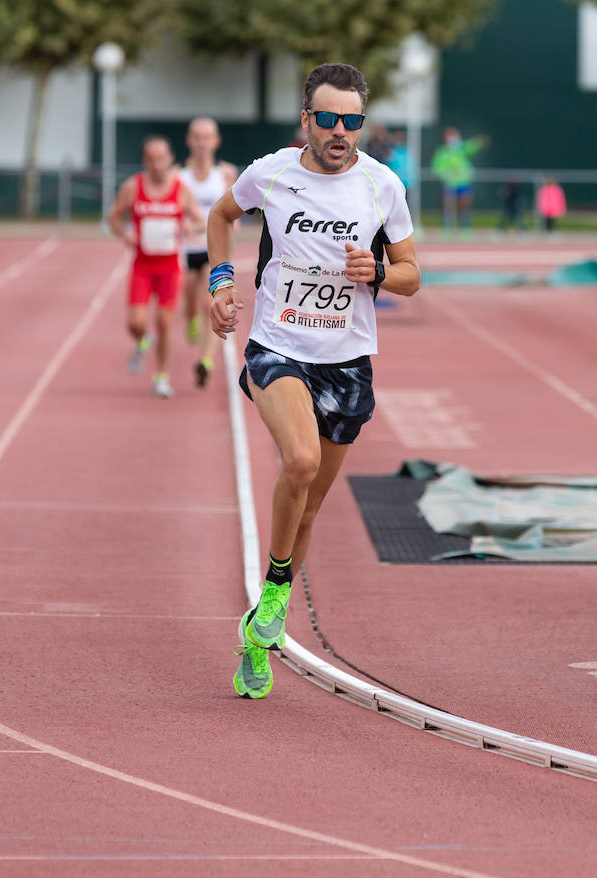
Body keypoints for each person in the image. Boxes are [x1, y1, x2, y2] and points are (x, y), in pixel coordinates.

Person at [206, 62, 419, 699]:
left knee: (311, 508)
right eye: (327, 119)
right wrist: (220, 284)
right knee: (298, 462)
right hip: (278, 346)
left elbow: (411, 273)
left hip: (348, 360)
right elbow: (221, 217)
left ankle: (260, 630)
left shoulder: (382, 186)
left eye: (351, 121)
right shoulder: (271, 171)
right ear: (306, 119)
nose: (339, 132)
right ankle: (273, 596)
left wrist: (377, 272)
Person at [108, 135, 203, 398]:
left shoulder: (181, 190)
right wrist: (124, 235)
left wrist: (189, 227)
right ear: (144, 162)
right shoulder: (132, 187)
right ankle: (142, 340)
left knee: (164, 323)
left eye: (161, 158)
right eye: (151, 159)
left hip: (170, 268)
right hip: (142, 266)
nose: (157, 164)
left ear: (170, 158)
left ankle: (161, 376)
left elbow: (200, 221)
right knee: (135, 323)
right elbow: (113, 216)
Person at [178, 117, 238, 387]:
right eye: (197, 138)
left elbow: (234, 211)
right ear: (190, 141)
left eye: (207, 138)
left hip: (212, 249)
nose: (202, 143)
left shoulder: (225, 174)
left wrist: (230, 233)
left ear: (216, 141)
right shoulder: (177, 176)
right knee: (190, 300)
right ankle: (190, 319)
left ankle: (205, 360)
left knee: (208, 301)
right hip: (184, 249)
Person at [430, 126, 488, 238]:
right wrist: (447, 175)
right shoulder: (442, 152)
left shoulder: (461, 149)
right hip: (450, 184)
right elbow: (436, 167)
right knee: (449, 207)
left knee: (464, 206)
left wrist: (480, 141)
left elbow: (472, 146)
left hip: (464, 183)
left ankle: (464, 230)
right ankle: (447, 230)